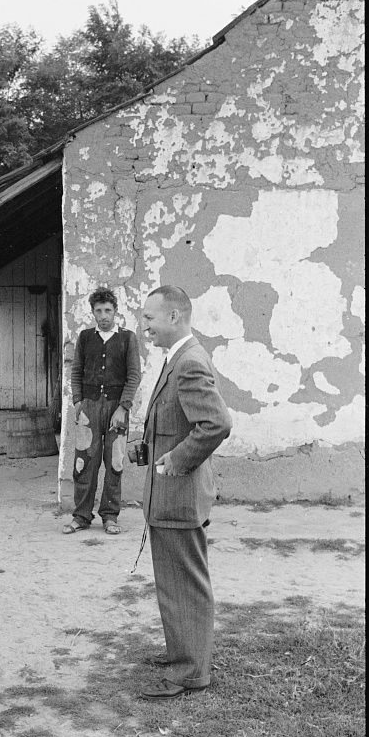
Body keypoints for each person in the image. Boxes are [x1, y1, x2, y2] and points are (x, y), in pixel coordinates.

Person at [130, 286, 232, 699]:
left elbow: (215, 424)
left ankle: (190, 672)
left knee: (183, 584)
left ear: (174, 317)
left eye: (150, 318)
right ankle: (184, 654)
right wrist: (150, 448)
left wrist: (176, 459)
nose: (145, 326)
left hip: (178, 493)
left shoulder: (188, 362)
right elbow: (179, 420)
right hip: (171, 495)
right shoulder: (178, 359)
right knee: (176, 583)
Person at [62, 286, 141, 536]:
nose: (104, 315)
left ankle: (110, 516)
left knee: (114, 462)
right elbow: (76, 372)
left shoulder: (127, 338)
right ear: (93, 313)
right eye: (99, 310)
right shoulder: (85, 338)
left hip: (117, 409)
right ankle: (82, 515)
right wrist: (78, 403)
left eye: (108, 310)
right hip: (90, 408)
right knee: (84, 462)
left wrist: (123, 407)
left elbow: (134, 376)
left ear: (115, 311)